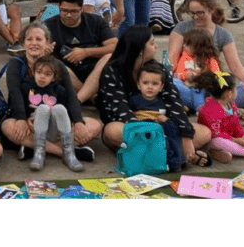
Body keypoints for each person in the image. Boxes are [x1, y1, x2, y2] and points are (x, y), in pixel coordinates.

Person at [96, 25, 212, 166]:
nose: (156, 46)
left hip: (163, 126)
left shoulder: (158, 70)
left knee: (204, 133)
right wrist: (150, 129)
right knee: (112, 131)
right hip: (134, 127)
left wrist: (186, 135)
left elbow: (174, 102)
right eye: (152, 43)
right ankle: (172, 153)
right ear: (140, 49)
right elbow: (119, 111)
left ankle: (150, 154)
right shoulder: (113, 71)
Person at [0, 22, 103, 162]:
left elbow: (71, 94)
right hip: (28, 121)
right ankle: (65, 152)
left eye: (39, 39)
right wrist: (22, 119)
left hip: (55, 121)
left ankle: (34, 148)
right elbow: (14, 93)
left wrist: (77, 121)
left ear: (47, 42)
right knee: (7, 126)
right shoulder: (15, 64)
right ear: (23, 43)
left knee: (95, 125)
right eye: (29, 39)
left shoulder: (58, 65)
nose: (34, 43)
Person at [168, 0, 244, 114]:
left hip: (212, 87)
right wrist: (183, 75)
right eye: (192, 13)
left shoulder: (223, 34)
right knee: (170, 85)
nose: (195, 17)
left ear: (211, 10)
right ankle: (221, 107)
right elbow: (171, 61)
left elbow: (235, 66)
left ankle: (202, 105)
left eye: (200, 13)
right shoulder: (182, 28)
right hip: (186, 85)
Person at [44, 0, 117, 104]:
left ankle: (79, 100)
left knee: (108, 57)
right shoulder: (48, 25)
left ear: (81, 9)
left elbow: (115, 46)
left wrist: (86, 52)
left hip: (94, 70)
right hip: (67, 73)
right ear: (59, 8)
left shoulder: (95, 21)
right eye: (64, 11)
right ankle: (91, 98)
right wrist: (46, 50)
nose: (68, 15)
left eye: (74, 11)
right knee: (55, 64)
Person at [20, 56, 83, 172]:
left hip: (53, 131)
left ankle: (68, 152)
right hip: (35, 131)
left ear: (54, 77)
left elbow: (64, 114)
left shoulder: (59, 90)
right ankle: (39, 152)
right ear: (33, 73)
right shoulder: (26, 87)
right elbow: (21, 108)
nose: (42, 76)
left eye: (47, 74)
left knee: (59, 108)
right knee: (43, 108)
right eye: (39, 72)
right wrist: (25, 120)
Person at [195, 71, 244, 163]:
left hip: (228, 135)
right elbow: (216, 134)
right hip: (212, 140)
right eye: (236, 88)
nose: (237, 91)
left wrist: (242, 135)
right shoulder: (210, 110)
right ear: (230, 94)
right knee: (219, 141)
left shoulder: (230, 104)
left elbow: (236, 123)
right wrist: (236, 140)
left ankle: (217, 152)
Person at [127, 60, 187, 172]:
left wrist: (166, 120)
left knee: (170, 137)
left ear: (161, 86)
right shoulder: (134, 99)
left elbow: (172, 119)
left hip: (160, 132)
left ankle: (173, 161)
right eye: (145, 83)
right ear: (138, 84)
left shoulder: (163, 102)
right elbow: (128, 116)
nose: (150, 87)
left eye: (155, 84)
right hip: (143, 132)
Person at [172, 28, 224, 115]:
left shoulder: (210, 60)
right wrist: (186, 75)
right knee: (172, 82)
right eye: (184, 43)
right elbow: (179, 72)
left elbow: (217, 77)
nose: (184, 46)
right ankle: (197, 107)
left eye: (188, 44)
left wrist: (202, 74)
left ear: (198, 47)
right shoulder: (185, 56)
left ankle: (199, 108)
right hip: (188, 87)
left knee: (199, 87)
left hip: (204, 90)